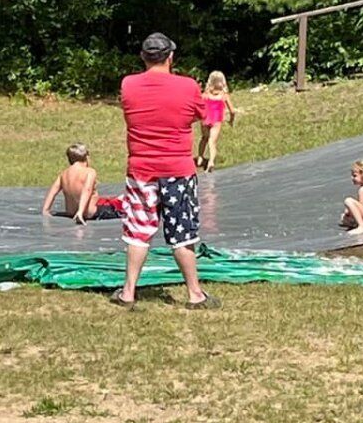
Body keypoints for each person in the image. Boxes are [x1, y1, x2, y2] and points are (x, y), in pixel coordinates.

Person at [112, 33, 213, 309]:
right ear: (170, 57)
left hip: (141, 171)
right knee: (183, 234)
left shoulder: (129, 85)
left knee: (137, 232)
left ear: (144, 57)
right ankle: (194, 294)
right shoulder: (188, 86)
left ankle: (128, 292)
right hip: (178, 171)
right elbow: (204, 116)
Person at [40, 143, 121, 222]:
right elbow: (87, 190)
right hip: (90, 213)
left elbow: (52, 192)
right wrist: (80, 212)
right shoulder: (90, 172)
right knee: (122, 207)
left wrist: (46, 209)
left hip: (70, 213)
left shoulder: (63, 174)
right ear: (87, 157)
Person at [196, 71, 240, 172]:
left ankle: (200, 157)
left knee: (204, 138)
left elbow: (199, 106)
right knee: (212, 141)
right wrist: (231, 120)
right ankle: (211, 162)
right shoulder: (224, 96)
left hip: (205, 118)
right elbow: (232, 111)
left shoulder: (205, 95)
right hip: (216, 121)